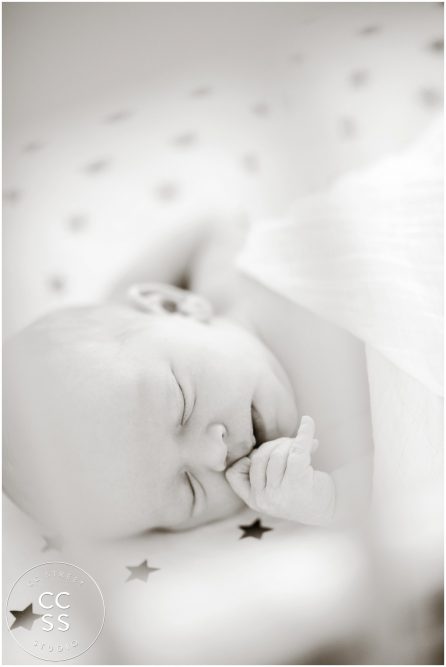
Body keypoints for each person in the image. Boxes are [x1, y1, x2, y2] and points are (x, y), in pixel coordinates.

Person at [3, 217, 373, 539]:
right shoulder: (305, 468)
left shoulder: (234, 284)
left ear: (173, 305)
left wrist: (122, 307)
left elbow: (210, 225)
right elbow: (410, 474)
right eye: (190, 489)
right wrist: (329, 499)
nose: (216, 455)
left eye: (183, 403)